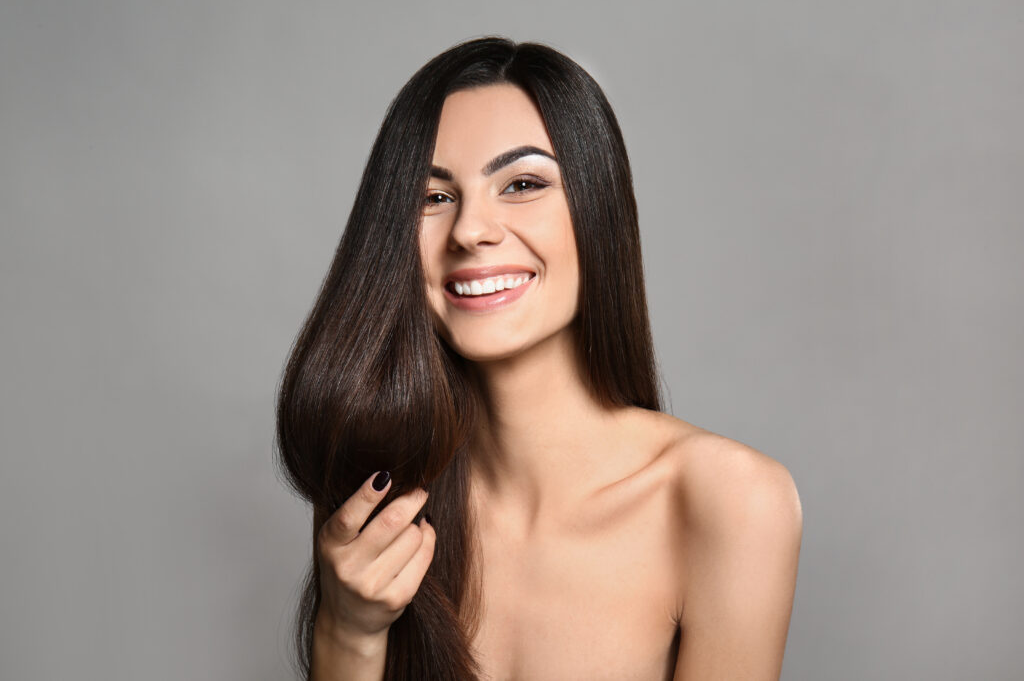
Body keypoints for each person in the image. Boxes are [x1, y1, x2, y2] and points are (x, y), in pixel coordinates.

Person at [276, 36, 803, 681]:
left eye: (523, 184)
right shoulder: (382, 482)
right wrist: (348, 630)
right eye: (433, 197)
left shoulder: (729, 501)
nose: (470, 230)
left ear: (598, 212)